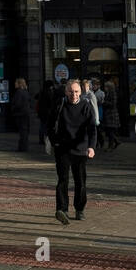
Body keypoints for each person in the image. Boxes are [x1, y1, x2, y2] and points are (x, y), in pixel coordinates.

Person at [51, 79, 96, 224]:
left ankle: (79, 209)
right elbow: (50, 124)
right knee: (63, 180)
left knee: (80, 181)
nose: (74, 94)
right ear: (66, 92)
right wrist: (54, 143)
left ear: (80, 92)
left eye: (76, 91)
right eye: (71, 91)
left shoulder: (86, 106)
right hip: (63, 148)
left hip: (80, 148)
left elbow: (92, 129)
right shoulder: (60, 105)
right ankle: (62, 210)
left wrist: (91, 147)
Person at [10, 78, 31, 152]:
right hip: (25, 113)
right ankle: (23, 147)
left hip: (20, 114)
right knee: (24, 131)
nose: (14, 84)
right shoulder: (25, 91)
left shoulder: (19, 92)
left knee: (23, 132)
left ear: (19, 84)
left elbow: (18, 104)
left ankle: (23, 147)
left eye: (16, 83)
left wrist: (13, 108)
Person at [102, 79, 120, 150]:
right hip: (108, 114)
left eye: (106, 87)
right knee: (109, 130)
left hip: (112, 115)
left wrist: (104, 102)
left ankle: (111, 146)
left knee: (110, 131)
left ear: (109, 87)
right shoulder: (107, 93)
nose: (105, 88)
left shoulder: (113, 93)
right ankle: (116, 141)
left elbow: (113, 104)